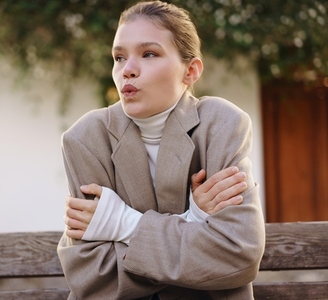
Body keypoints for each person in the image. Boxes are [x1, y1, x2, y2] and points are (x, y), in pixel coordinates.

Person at [58, 1, 265, 299]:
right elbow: (91, 278)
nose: (127, 70)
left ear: (190, 71)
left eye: (149, 54)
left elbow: (238, 256)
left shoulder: (221, 124)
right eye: (119, 57)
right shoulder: (85, 139)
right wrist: (193, 225)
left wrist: (124, 224)